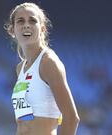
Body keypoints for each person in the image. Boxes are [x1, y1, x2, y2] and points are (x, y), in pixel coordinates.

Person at [5, 2, 80, 135]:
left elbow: (71, 118)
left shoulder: (48, 62)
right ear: (12, 30)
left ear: (43, 28)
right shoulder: (20, 68)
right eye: (20, 21)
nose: (26, 25)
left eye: (32, 21)